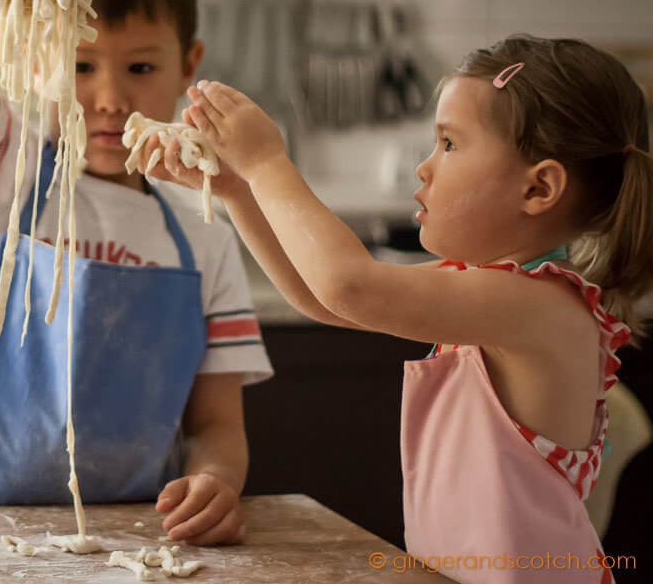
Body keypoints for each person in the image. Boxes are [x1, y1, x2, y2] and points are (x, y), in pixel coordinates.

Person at [145, 33, 653, 581]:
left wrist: (267, 162)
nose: (424, 168)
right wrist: (237, 190)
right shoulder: (493, 288)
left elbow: (349, 286)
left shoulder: (537, 305)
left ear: (538, 189)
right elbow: (325, 301)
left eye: (449, 144)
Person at [0, 0, 272, 547]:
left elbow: (216, 423)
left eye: (140, 66)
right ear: (37, 58)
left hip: (125, 547)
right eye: (79, 64)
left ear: (188, 66)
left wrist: (216, 479)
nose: (108, 97)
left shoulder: (205, 234)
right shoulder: (2, 173)